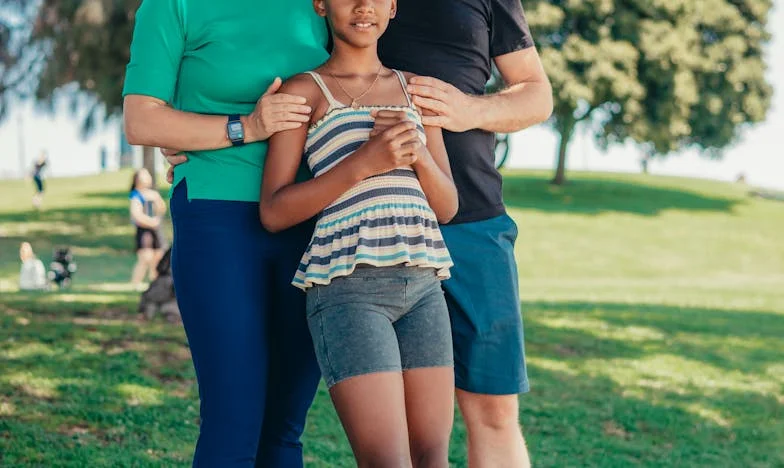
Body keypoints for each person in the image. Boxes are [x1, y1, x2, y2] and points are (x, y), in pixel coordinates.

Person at [122, 1, 331, 466]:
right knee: (233, 419)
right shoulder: (173, 6)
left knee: (285, 427)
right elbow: (141, 120)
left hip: (311, 218)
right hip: (216, 218)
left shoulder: (320, 4)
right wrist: (245, 127)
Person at [260, 0, 458, 465]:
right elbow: (273, 211)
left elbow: (447, 207)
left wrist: (419, 156)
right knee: (387, 461)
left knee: (433, 458)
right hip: (349, 292)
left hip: (425, 286)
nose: (363, 6)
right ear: (322, 4)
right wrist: (366, 162)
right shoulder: (305, 92)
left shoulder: (417, 91)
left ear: (393, 6)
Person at [376, 2, 553, 466]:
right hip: (373, 221)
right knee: (404, 425)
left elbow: (537, 94)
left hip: (474, 223)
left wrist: (469, 108)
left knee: (493, 411)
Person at [129, 169, 167, 290]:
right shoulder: (136, 195)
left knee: (158, 256)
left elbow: (162, 208)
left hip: (155, 228)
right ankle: (136, 283)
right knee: (145, 257)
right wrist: (150, 222)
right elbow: (136, 214)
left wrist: (157, 201)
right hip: (144, 230)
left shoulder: (153, 194)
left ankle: (154, 282)